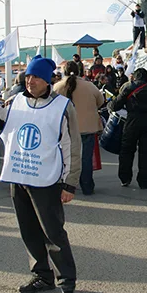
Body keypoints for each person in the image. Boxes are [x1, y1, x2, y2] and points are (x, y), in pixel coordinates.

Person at [0, 55, 82, 293]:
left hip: (48, 180)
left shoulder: (62, 106)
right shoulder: (15, 102)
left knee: (54, 234)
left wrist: (70, 183)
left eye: (35, 77)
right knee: (29, 231)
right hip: (20, 177)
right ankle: (42, 275)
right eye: (27, 76)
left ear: (47, 80)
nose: (30, 81)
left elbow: (73, 146)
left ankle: (66, 283)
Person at [54, 60, 104, 195]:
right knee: (86, 159)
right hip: (88, 127)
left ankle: (65, 186)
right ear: (79, 71)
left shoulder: (57, 87)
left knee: (65, 158)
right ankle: (87, 186)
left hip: (65, 128)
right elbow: (101, 102)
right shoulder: (89, 86)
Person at [108, 68, 147, 188]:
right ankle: (144, 181)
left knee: (126, 151)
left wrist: (109, 104)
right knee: (146, 153)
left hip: (132, 122)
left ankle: (125, 178)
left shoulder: (129, 87)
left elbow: (116, 105)